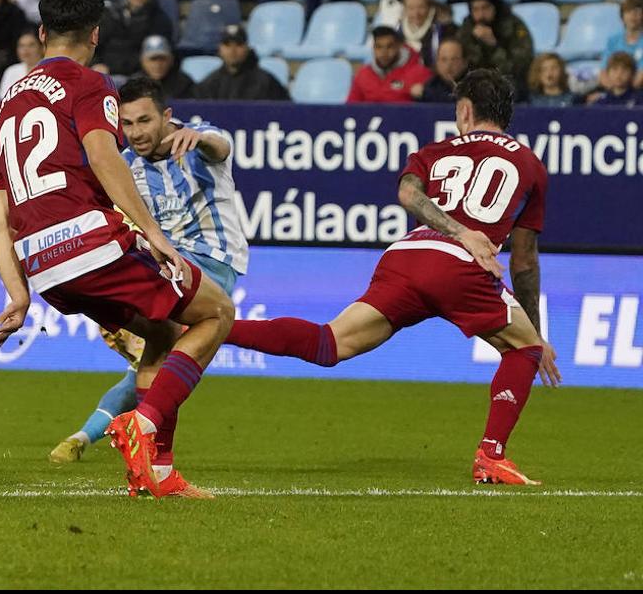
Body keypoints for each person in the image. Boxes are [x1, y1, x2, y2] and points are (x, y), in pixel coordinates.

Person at [224, 68, 560, 485]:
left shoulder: (437, 150)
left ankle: (214, 327)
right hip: (459, 268)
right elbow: (524, 260)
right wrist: (536, 332)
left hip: (405, 256)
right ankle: (491, 454)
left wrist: (451, 228)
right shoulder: (530, 165)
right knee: (524, 350)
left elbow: (407, 194)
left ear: (465, 110)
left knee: (330, 342)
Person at [0, 0, 237, 498]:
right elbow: (103, 157)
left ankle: (155, 474)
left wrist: (18, 292)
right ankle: (140, 427)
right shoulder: (92, 85)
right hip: (91, 244)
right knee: (217, 312)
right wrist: (155, 234)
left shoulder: (6, 103)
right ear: (95, 35)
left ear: (40, 33)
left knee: (162, 335)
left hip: (40, 264)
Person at [42, 78, 248, 469]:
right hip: (166, 265)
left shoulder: (200, 141)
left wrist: (199, 137)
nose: (135, 133)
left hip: (212, 262)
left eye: (144, 121)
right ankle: (118, 442)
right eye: (127, 123)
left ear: (166, 116)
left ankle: (127, 429)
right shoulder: (124, 164)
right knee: (160, 354)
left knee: (163, 349)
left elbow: (221, 146)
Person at [92, 0, 172, 77]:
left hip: (138, 76)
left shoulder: (160, 20)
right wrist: (96, 64)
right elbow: (93, 45)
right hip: (103, 74)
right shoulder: (109, 14)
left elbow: (156, 58)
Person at [457, 0, 534, 100]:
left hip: (506, 82)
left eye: (485, 8)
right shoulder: (467, 28)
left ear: (495, 7)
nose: (481, 14)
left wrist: (493, 46)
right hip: (474, 83)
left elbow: (519, 67)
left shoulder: (514, 26)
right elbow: (463, 65)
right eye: (475, 9)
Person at [196, 25, 289, 101]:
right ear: (220, 49)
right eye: (227, 45)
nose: (233, 51)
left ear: (247, 48)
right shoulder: (210, 84)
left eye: (238, 45)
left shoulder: (266, 82)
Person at [348, 25, 430, 103]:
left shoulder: (419, 74)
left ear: (399, 46)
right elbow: (350, 108)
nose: (384, 52)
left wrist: (424, 95)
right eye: (379, 47)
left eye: (389, 46)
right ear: (373, 48)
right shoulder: (363, 74)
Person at [129, 34, 194, 99]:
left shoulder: (184, 84)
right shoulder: (134, 84)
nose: (158, 65)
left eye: (163, 59)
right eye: (153, 59)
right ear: (143, 61)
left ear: (171, 61)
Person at [414, 36, 468, 103]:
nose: (448, 66)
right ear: (437, 63)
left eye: (454, 59)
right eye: (443, 60)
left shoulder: (475, 88)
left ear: (464, 63)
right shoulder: (428, 89)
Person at [0, 28, 42, 98]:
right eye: (21, 46)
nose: (26, 49)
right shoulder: (11, 71)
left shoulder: (48, 69)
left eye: (31, 45)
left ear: (41, 48)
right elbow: (3, 99)